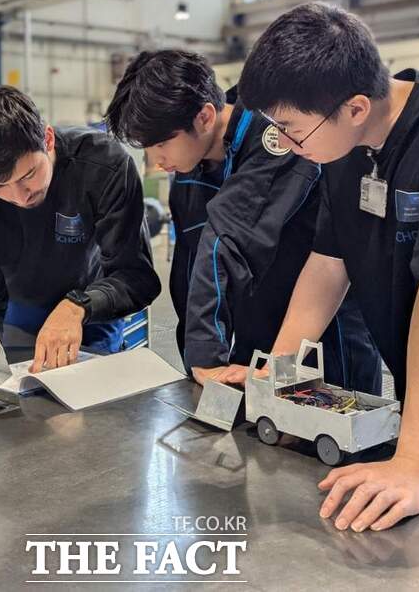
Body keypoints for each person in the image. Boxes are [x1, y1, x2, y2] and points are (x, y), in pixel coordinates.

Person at [236, 1, 419, 532]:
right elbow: (327, 263)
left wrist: (416, 459)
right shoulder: (344, 149)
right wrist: (274, 374)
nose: (288, 144)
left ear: (354, 108)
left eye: (291, 128)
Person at [105, 49, 381, 393]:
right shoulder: (190, 171)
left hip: (324, 340)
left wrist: (205, 352)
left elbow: (226, 241)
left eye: (161, 143)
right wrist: (200, 361)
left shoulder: (276, 141)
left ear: (205, 117)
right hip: (253, 339)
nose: (157, 161)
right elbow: (189, 273)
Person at [0, 86, 160, 392]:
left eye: (28, 175)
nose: (20, 197)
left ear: (47, 139)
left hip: (92, 316)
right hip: (17, 317)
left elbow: (137, 278)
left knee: (89, 414)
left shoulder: (104, 165)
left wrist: (77, 307)